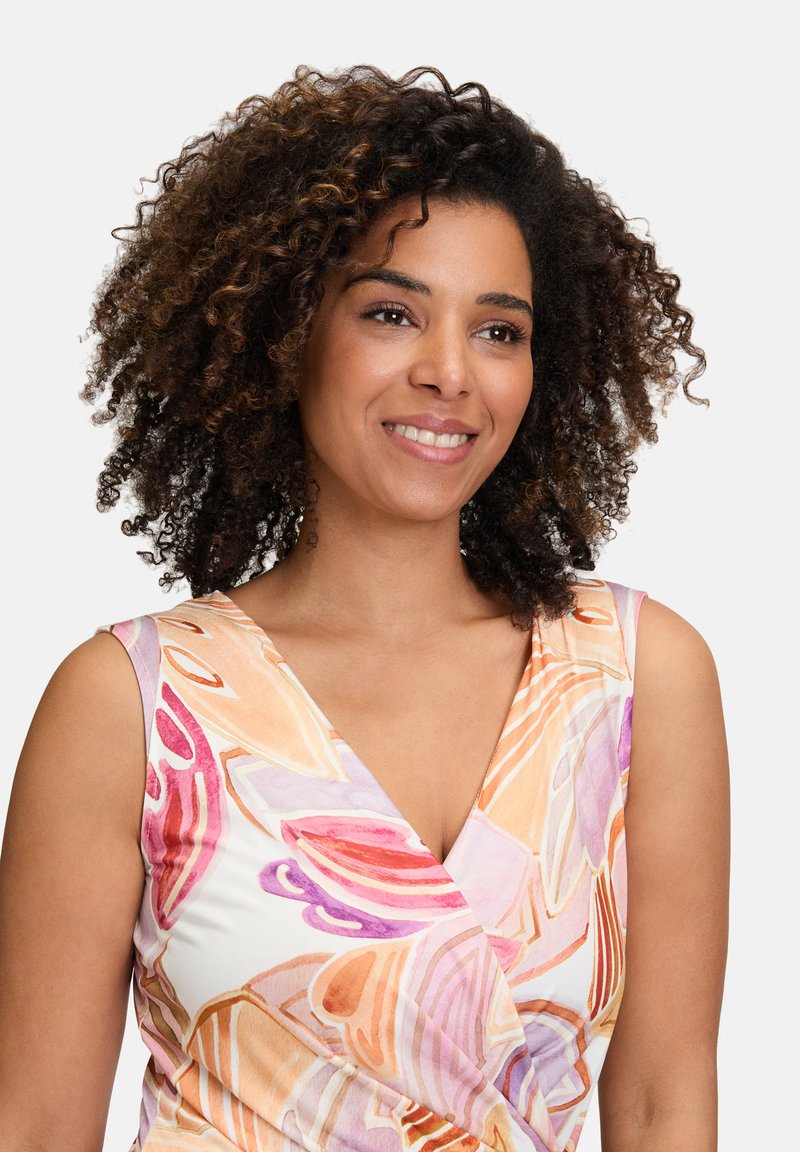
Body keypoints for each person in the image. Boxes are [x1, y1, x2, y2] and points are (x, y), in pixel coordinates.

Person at [0, 64, 729, 1152]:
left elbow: (663, 1101)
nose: (450, 373)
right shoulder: (131, 704)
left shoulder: (632, 676)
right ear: (287, 330)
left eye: (499, 331)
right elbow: (33, 1126)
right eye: (392, 314)